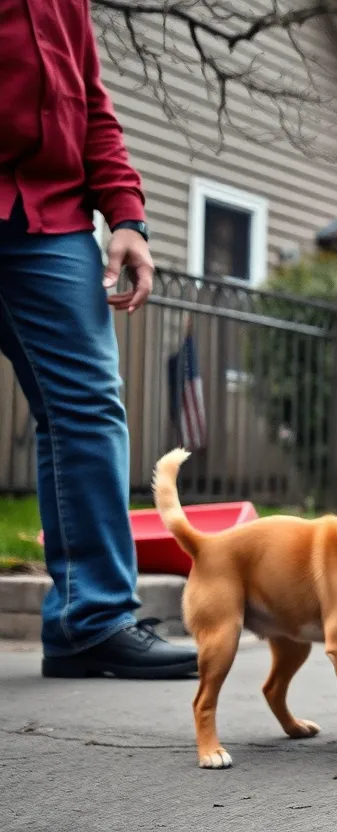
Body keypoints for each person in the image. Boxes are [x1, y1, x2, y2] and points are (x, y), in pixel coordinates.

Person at [1, 1, 198, 677]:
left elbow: (89, 101)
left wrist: (127, 215)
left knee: (87, 406)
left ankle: (93, 621)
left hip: (48, 221)